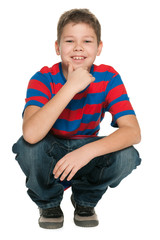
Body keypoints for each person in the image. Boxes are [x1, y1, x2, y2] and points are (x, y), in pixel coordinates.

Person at [12, 8, 141, 229]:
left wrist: (86, 152)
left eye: (87, 41)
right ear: (57, 47)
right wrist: (70, 87)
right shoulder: (42, 78)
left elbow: (133, 132)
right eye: (70, 41)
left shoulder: (109, 77)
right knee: (27, 147)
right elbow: (32, 134)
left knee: (128, 155)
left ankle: (85, 200)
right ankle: (49, 202)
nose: (79, 47)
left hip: (87, 150)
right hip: (51, 150)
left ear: (99, 48)